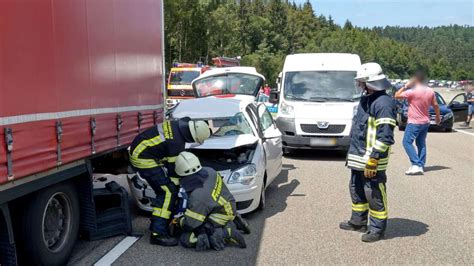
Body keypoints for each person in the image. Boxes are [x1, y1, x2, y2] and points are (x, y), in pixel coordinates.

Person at [129, 118, 211, 246]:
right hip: (142, 158)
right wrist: (180, 188)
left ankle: (163, 220)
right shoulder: (176, 144)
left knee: (169, 189)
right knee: (168, 192)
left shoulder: (181, 123)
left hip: (141, 148)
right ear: (192, 136)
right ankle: (158, 233)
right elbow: (174, 172)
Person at [340, 62, 396, 243]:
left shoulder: (384, 103)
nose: (360, 85)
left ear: (370, 82)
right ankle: (358, 222)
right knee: (356, 189)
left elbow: (385, 136)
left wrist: (373, 159)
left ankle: (377, 229)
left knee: (373, 194)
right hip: (358, 157)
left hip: (371, 159)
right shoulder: (366, 99)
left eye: (362, 82)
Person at [174, 152, 247, 251]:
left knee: (187, 238)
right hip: (227, 204)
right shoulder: (210, 171)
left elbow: (191, 223)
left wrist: (180, 221)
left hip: (220, 214)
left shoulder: (198, 196)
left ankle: (226, 232)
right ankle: (232, 219)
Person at [394, 71, 440, 175]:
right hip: (425, 121)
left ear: (415, 80)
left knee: (406, 142)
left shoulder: (412, 91)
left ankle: (416, 164)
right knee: (421, 143)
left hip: (414, 121)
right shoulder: (430, 91)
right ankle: (421, 165)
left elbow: (397, 95)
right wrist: (437, 117)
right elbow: (436, 105)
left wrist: (405, 86)